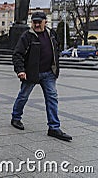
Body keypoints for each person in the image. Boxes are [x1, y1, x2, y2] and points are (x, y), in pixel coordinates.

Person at [11, 11, 72, 141]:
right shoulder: (27, 36)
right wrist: (20, 70)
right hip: (31, 73)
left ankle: (54, 128)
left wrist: (55, 66)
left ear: (45, 22)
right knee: (23, 96)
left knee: (52, 99)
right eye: (34, 22)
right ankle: (16, 118)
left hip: (49, 73)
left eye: (39, 22)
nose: (37, 24)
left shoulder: (52, 34)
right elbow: (17, 54)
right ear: (31, 22)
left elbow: (57, 48)